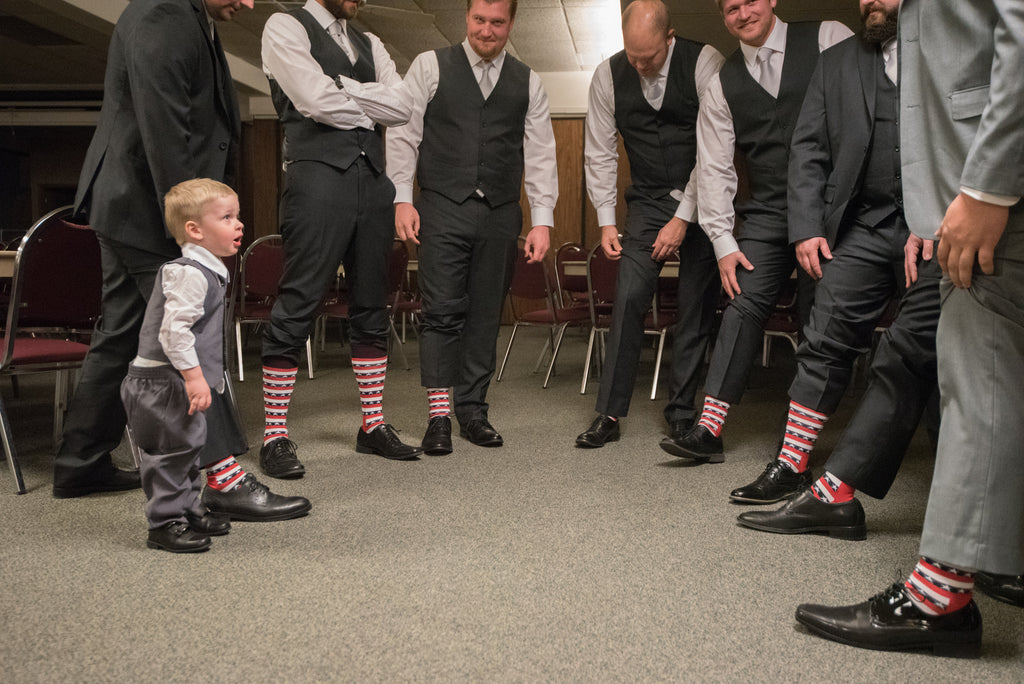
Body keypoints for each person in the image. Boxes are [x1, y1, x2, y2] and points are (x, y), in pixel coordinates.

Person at [794, 0, 1024, 656]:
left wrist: (984, 188)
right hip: (963, 191)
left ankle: (939, 598)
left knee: (977, 373)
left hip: (993, 180)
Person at [725, 0, 941, 539]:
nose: (872, 1)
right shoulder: (837, 59)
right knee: (823, 335)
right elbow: (809, 148)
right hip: (864, 225)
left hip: (936, 224)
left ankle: (949, 485)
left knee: (928, 350)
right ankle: (793, 462)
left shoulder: (947, 47)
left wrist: (941, 213)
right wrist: (807, 226)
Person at [53, 0, 261, 501]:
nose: (249, 3)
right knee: (191, 331)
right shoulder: (163, 15)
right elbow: (165, 131)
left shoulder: (184, 15)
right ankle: (222, 480)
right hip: (152, 210)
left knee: (122, 335)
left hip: (133, 207)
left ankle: (79, 463)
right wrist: (195, 228)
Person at [659, 0, 851, 460]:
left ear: (771, 1)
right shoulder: (722, 83)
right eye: (730, 9)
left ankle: (803, 443)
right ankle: (709, 430)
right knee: (742, 303)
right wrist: (724, 243)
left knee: (817, 315)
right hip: (767, 211)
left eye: (749, 2)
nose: (742, 14)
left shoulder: (829, 38)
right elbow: (714, 168)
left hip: (829, 207)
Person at [386, 0, 558, 454]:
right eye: (479, 20)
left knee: (485, 313)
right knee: (441, 312)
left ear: (511, 24)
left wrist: (542, 221)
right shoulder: (430, 66)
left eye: (497, 22)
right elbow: (403, 133)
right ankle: (439, 415)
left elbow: (541, 154)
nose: (487, 30)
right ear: (466, 18)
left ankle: (474, 411)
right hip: (441, 208)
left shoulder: (529, 81)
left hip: (501, 212)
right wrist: (402, 198)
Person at [258, 0, 419, 477]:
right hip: (316, 184)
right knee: (299, 301)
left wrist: (345, 88)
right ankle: (274, 437)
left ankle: (372, 425)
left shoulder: (371, 43)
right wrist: (372, 104)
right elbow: (311, 100)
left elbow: (404, 106)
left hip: (372, 185)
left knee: (372, 305)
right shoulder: (284, 25)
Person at [123, 180, 312, 553]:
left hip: (179, 380)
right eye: (227, 217)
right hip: (163, 382)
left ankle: (190, 510)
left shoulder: (208, 268)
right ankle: (164, 525)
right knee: (171, 456)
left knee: (190, 448)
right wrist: (194, 377)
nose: (239, 224)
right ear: (194, 229)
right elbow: (174, 332)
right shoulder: (189, 272)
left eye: (237, 216)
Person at [573, 0, 722, 450]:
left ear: (669, 37)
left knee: (696, 305)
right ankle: (609, 414)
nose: (639, 65)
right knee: (630, 296)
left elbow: (715, 150)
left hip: (706, 194)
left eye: (649, 57)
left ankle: (682, 414)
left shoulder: (705, 62)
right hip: (648, 200)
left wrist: (683, 219)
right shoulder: (608, 76)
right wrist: (605, 221)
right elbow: (599, 152)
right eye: (631, 55)